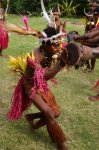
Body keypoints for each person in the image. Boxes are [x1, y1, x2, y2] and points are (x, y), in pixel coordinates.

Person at [7, 25, 69, 150]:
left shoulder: (48, 50)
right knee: (49, 114)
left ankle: (31, 117)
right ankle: (61, 145)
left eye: (58, 44)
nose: (58, 47)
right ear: (45, 44)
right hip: (30, 86)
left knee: (56, 113)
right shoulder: (34, 58)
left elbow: (62, 50)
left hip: (40, 83)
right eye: (55, 45)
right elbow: (44, 75)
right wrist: (61, 64)